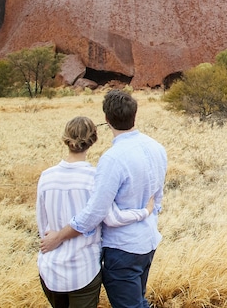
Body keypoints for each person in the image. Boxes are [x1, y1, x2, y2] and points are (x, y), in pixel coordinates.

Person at [41, 90, 168, 308]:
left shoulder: (112, 159)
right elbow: (158, 197)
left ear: (107, 120)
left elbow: (96, 213)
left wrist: (58, 237)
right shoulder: (157, 148)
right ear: (134, 115)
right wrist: (146, 213)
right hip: (148, 242)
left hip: (123, 248)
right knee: (137, 301)